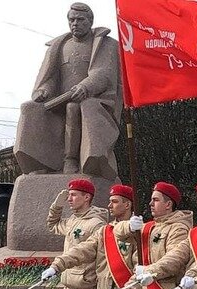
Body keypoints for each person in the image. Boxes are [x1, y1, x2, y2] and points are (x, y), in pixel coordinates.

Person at [15, 2, 122, 178]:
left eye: (80, 19)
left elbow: (104, 74)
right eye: (72, 20)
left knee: (74, 106)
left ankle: (71, 159)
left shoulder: (105, 44)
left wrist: (85, 87)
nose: (75, 23)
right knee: (29, 108)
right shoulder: (60, 46)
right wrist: (44, 91)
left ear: (90, 20)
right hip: (58, 100)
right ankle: (39, 161)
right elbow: (50, 78)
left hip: (93, 99)